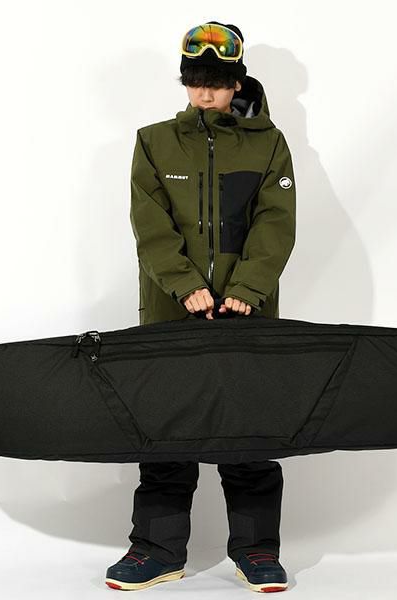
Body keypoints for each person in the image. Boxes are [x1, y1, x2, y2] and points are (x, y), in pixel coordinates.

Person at [105, 21, 296, 593]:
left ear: (236, 82)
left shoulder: (269, 144)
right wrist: (184, 284)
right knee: (165, 432)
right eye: (195, 82)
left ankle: (257, 550)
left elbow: (275, 223)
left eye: (215, 83)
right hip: (170, 311)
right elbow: (150, 226)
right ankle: (156, 550)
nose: (204, 94)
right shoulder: (154, 141)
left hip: (247, 311)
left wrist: (247, 289)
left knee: (249, 431)